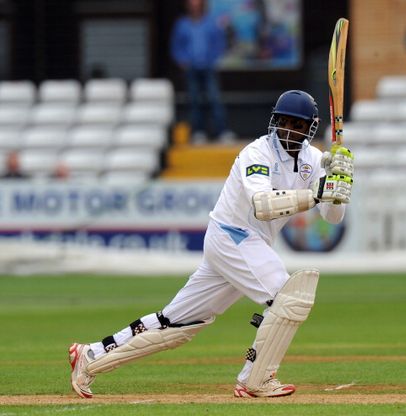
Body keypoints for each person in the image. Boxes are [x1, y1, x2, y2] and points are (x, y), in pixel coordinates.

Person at [68, 90, 355, 399]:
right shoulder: (256, 153)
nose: (289, 129)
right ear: (274, 120)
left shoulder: (315, 159)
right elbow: (262, 204)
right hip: (232, 236)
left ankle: (90, 356)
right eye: (284, 121)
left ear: (309, 128)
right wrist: (314, 193)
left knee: (176, 322)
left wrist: (338, 186)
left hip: (247, 243)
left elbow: (333, 217)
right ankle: (255, 379)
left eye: (297, 125)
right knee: (289, 298)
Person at [170, 0, 234, 144]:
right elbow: (176, 45)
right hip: (191, 68)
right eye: (192, 5)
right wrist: (182, 60)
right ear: (188, 7)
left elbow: (220, 43)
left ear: (202, 6)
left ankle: (222, 131)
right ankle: (198, 132)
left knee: (215, 98)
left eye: (197, 5)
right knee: (193, 100)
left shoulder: (211, 23)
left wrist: (214, 58)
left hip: (208, 67)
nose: (195, 8)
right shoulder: (182, 24)